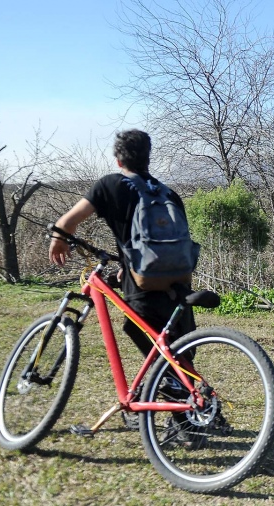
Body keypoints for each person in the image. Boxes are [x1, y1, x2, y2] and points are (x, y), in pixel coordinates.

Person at [48, 129, 196, 357]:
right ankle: (177, 386)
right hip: (179, 285)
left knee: (143, 337)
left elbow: (67, 222)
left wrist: (58, 239)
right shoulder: (168, 194)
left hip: (144, 287)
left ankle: (171, 384)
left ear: (118, 160)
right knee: (179, 357)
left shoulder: (110, 185)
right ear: (148, 158)